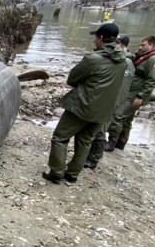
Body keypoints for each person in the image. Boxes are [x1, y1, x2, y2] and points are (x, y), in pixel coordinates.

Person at [42, 23, 128, 184]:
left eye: (96, 37)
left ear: (101, 38)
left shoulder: (93, 59)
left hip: (82, 106)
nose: (94, 40)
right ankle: (73, 173)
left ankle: (57, 172)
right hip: (103, 110)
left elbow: (72, 79)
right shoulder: (123, 61)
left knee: (60, 137)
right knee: (85, 141)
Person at [84, 34, 135, 169]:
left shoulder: (126, 63)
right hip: (103, 100)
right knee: (95, 129)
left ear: (122, 45)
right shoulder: (116, 60)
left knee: (100, 130)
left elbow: (123, 87)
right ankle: (90, 155)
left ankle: (94, 159)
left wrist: (114, 104)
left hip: (110, 102)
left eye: (117, 42)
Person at [105, 35, 155, 151]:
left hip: (135, 94)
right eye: (140, 44)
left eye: (143, 45)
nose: (140, 47)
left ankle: (111, 142)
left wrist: (141, 96)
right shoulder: (142, 56)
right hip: (130, 92)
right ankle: (121, 144)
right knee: (127, 120)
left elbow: (151, 80)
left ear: (151, 45)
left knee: (117, 115)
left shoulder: (154, 59)